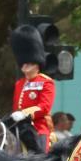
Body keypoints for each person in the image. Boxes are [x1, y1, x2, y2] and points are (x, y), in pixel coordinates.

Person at [8, 25, 55, 153]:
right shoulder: (19, 84)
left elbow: (44, 107)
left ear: (36, 63)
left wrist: (24, 114)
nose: (25, 65)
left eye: (29, 62)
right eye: (24, 62)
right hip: (19, 128)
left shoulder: (46, 82)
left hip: (38, 129)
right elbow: (16, 107)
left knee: (39, 157)